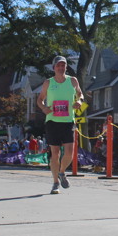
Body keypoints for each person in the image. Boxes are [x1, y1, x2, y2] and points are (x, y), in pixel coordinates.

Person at [36, 55, 84, 194]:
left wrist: (79, 101)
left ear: (66, 67)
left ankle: (62, 172)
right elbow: (40, 99)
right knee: (55, 153)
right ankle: (55, 183)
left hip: (68, 121)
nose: (61, 68)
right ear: (54, 68)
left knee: (69, 153)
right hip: (52, 121)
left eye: (63, 65)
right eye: (58, 65)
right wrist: (44, 108)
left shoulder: (73, 81)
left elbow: (80, 94)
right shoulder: (48, 83)